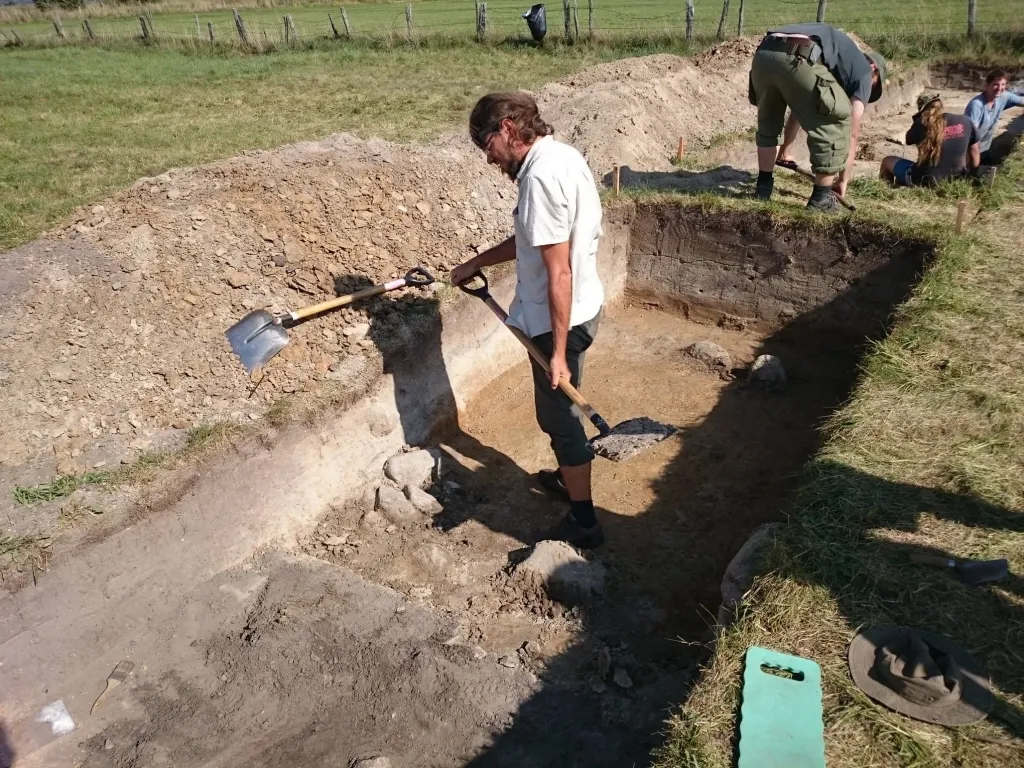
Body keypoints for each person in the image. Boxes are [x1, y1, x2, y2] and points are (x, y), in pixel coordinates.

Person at [450, 92, 606, 549]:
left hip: (559, 321)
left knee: (558, 420)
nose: (487, 159)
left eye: (486, 145)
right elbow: (531, 238)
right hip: (584, 309)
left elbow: (559, 271)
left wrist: (556, 352)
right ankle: (568, 473)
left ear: (507, 130)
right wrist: (477, 261)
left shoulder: (538, 178)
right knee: (566, 414)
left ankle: (585, 523)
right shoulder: (562, 154)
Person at [747, 22, 887, 210]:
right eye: (874, 85)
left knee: (768, 122)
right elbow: (851, 132)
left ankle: (763, 189)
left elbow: (799, 107)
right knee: (838, 120)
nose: (868, 91)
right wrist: (842, 181)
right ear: (874, 70)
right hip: (799, 55)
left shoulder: (834, 61)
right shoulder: (863, 72)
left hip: (765, 52)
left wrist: (785, 152)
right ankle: (821, 199)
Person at [879, 92, 980, 187]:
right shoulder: (965, 121)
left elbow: (908, 140)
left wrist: (918, 119)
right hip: (957, 180)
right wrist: (973, 178)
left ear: (922, 110)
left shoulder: (921, 123)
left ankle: (885, 196)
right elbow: (975, 153)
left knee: (887, 162)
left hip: (925, 181)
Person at [964, 68, 1024, 165]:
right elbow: (971, 139)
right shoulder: (976, 105)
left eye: (1003, 84)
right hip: (969, 154)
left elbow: (1021, 101)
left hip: (985, 150)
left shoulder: (1003, 97)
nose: (999, 88)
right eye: (996, 84)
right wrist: (974, 167)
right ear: (986, 86)